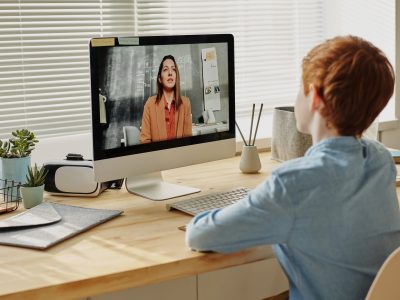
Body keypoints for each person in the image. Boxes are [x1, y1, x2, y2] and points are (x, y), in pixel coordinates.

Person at [185, 36, 400, 300]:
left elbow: (200, 236)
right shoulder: (379, 160)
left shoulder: (294, 183)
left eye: (301, 88)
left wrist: (248, 205)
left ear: (316, 98)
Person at [140, 55, 192, 143]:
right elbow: (145, 141)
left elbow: (188, 141)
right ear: (160, 78)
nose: (170, 73)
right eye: (165, 69)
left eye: (173, 69)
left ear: (176, 77)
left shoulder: (186, 103)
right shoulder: (150, 104)